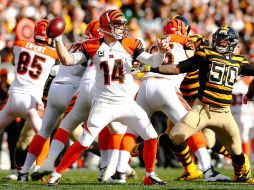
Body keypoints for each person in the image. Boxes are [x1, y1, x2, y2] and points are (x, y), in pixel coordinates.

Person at [46, 9, 168, 186]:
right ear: (106, 27)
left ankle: (149, 174)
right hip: (104, 103)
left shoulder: (130, 44)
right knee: (84, 141)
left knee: (150, 136)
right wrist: (57, 40)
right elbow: (67, 60)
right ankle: (56, 174)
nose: (121, 28)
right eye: (117, 25)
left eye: (122, 25)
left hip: (126, 103)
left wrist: (161, 53)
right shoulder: (93, 45)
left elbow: (153, 62)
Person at [145, 26, 254, 183]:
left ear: (231, 43)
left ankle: (240, 174)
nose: (219, 43)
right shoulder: (205, 55)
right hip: (201, 109)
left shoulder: (239, 61)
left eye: (223, 41)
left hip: (224, 113)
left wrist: (250, 93)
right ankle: (189, 167)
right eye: (217, 39)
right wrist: (152, 68)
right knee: (175, 137)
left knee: (237, 152)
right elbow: (177, 68)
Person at [18, 20, 100, 181]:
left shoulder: (77, 44)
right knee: (80, 133)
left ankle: (23, 172)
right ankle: (116, 165)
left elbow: (62, 62)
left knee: (44, 132)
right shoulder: (97, 47)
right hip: (72, 90)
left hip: (56, 88)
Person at [0, 19, 58, 145]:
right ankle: (40, 165)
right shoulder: (53, 54)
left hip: (13, 98)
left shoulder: (19, 44)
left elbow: (14, 62)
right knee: (44, 136)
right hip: (32, 101)